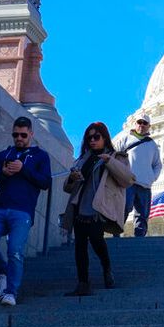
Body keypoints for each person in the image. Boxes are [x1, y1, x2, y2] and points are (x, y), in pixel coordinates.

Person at [0, 116, 52, 307]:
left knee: (15, 251)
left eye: (23, 135)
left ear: (31, 134)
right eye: (15, 135)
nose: (19, 138)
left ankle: (11, 292)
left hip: (22, 211)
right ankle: (2, 271)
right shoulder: (3, 155)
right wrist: (3, 173)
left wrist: (23, 169)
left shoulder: (40, 156)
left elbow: (46, 182)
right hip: (0, 208)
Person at [60, 122, 135, 296]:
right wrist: (72, 178)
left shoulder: (117, 157)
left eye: (96, 137)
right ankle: (83, 282)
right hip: (80, 205)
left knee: (96, 240)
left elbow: (127, 180)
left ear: (104, 137)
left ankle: (107, 267)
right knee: (80, 246)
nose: (92, 141)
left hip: (100, 206)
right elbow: (67, 187)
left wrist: (109, 162)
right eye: (89, 138)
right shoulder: (83, 159)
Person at [112, 116, 162, 238]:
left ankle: (139, 237)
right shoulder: (125, 139)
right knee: (124, 208)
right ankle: (116, 233)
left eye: (145, 123)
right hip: (128, 182)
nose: (142, 125)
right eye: (139, 122)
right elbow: (114, 156)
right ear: (135, 124)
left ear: (149, 126)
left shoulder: (152, 145)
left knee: (142, 214)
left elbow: (157, 165)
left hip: (144, 184)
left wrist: (152, 177)